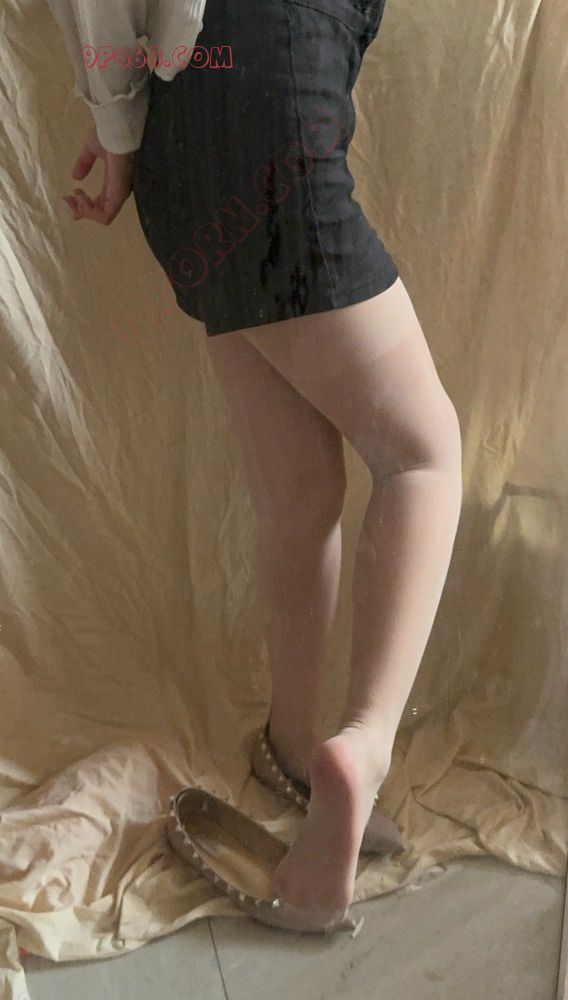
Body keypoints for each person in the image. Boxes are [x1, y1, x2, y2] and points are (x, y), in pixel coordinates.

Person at [49, 0, 463, 926]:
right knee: (422, 457)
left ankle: (292, 746)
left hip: (181, 146)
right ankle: (360, 749)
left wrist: (117, 134)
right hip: (273, 112)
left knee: (299, 492)